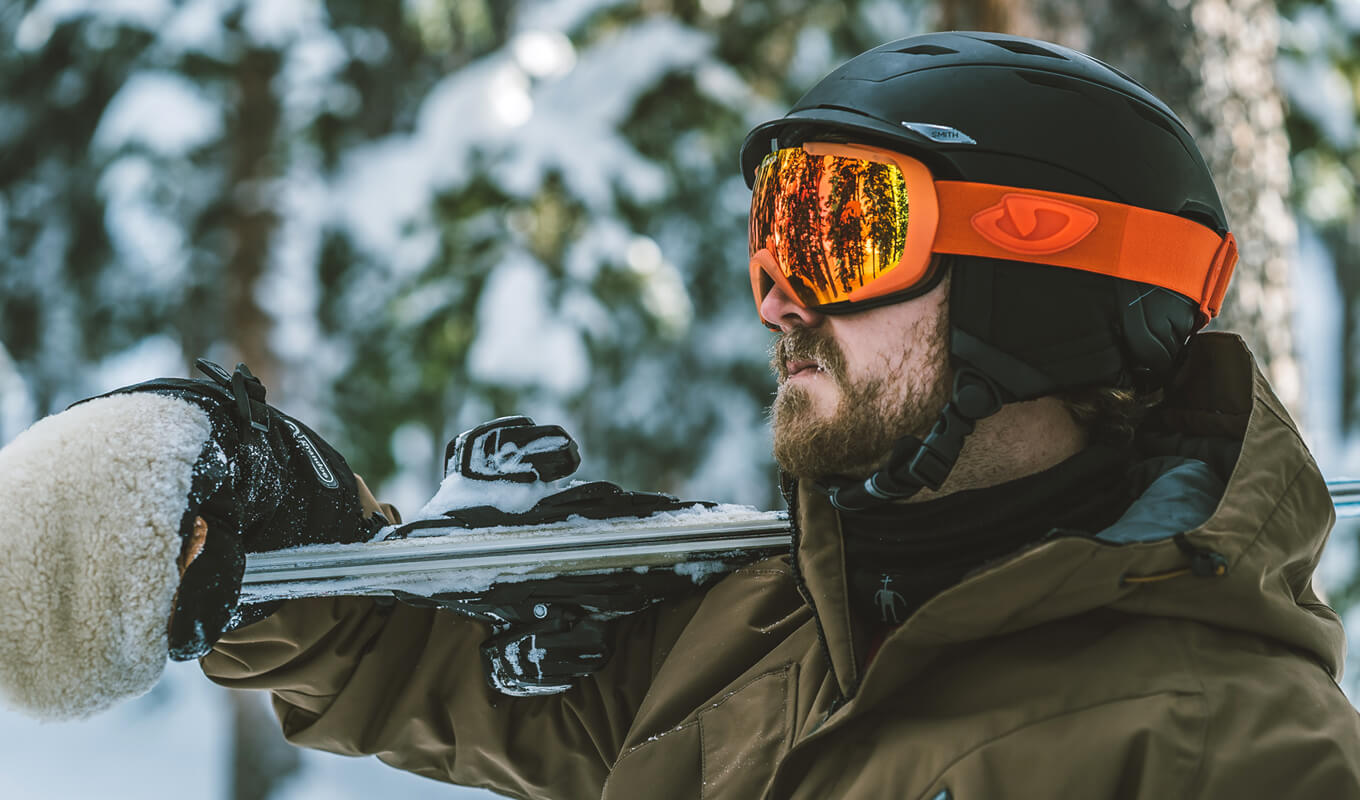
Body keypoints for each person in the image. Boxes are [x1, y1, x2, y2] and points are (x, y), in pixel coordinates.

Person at [190, 31, 1360, 798]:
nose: (780, 298)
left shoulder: (1231, 745)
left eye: (847, 234)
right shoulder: (766, 633)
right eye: (778, 233)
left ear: (1035, 270)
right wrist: (276, 527)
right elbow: (405, 660)